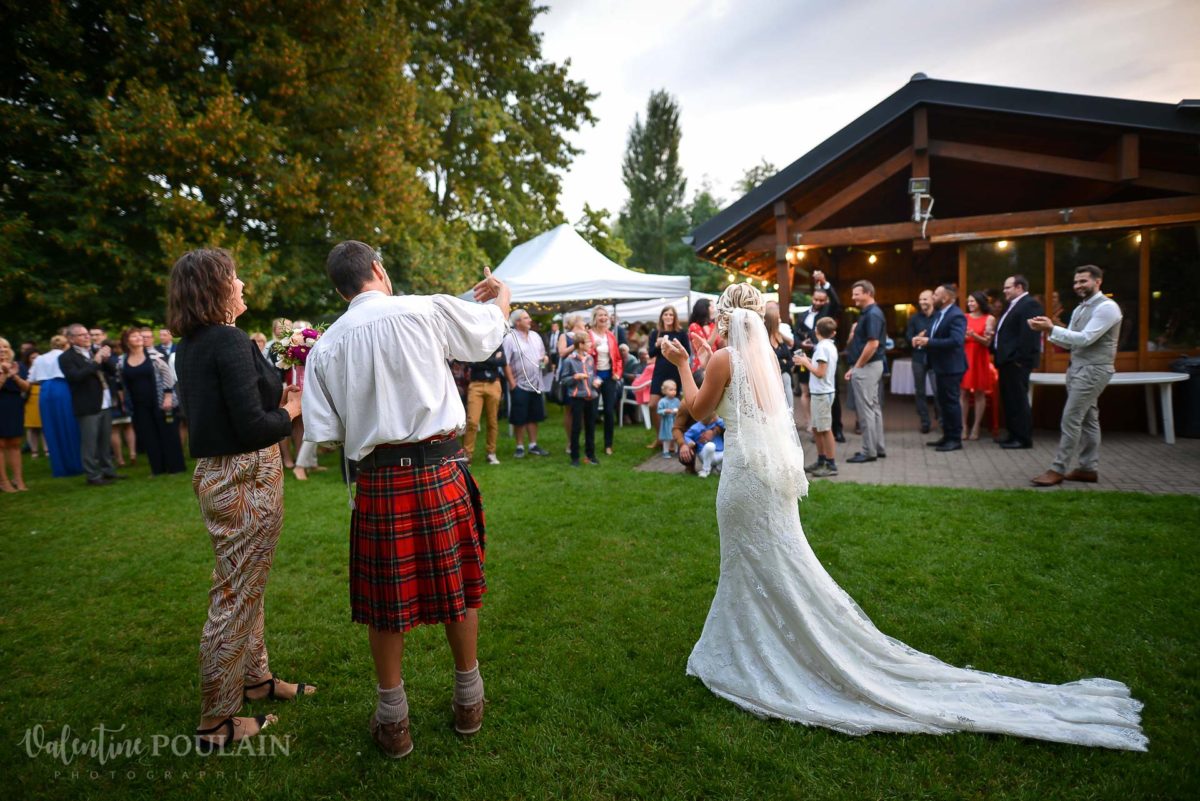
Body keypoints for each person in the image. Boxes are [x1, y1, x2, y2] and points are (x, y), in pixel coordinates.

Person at [659, 282, 1146, 752]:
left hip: (745, 480)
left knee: (751, 563)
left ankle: (757, 650)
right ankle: (764, 639)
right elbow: (743, 407)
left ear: (726, 317)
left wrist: (683, 364)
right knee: (777, 564)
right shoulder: (761, 357)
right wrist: (703, 363)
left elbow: (701, 410)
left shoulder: (725, 358)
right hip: (770, 482)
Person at [302, 241, 506, 758]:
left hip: (378, 481)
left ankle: (394, 724)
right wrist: (503, 296)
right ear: (378, 270)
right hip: (441, 469)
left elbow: (325, 433)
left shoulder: (325, 346)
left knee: (385, 606)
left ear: (340, 287)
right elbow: (486, 335)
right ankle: (469, 704)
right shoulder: (424, 308)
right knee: (459, 586)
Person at [170, 248, 312, 753]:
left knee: (246, 584)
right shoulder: (226, 340)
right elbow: (253, 425)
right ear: (217, 287)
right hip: (243, 473)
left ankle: (255, 678)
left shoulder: (193, 344)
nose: (243, 284)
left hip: (221, 473)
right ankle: (216, 722)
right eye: (235, 277)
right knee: (233, 595)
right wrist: (293, 407)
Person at [1028, 265, 1122, 486]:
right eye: (1076, 281)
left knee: (1071, 418)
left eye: (1083, 281)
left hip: (1094, 370)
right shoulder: (1080, 309)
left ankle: (1058, 469)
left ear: (1098, 282)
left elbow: (1086, 338)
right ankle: (1088, 469)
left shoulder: (1108, 308)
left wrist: (1052, 328)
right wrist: (1045, 330)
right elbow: (1070, 341)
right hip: (1077, 368)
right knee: (1089, 419)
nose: (1078, 285)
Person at [60, 324, 122, 486]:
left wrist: (106, 359)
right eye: (82, 335)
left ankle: (108, 471)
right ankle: (92, 475)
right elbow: (76, 377)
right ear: (71, 339)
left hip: (105, 400)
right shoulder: (66, 357)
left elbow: (112, 370)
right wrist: (95, 361)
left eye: (87, 334)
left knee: (104, 440)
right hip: (87, 404)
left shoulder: (94, 351)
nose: (87, 337)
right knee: (90, 442)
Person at [119, 328, 186, 475]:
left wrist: (168, 396)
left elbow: (167, 374)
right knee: (149, 436)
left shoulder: (154, 356)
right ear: (126, 341)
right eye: (134, 336)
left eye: (139, 336)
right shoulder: (123, 360)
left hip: (160, 401)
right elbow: (122, 383)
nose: (138, 338)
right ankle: (157, 469)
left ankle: (176, 467)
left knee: (168, 433)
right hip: (139, 405)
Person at [912, 284, 968, 452]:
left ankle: (955, 439)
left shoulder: (956, 315)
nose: (933, 297)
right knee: (943, 403)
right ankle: (947, 436)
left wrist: (929, 342)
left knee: (951, 402)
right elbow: (933, 332)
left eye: (935, 295)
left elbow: (956, 341)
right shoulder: (939, 314)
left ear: (945, 298)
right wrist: (923, 337)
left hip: (951, 366)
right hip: (940, 365)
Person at [992, 275, 1044, 450]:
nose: (1004, 291)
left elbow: (1029, 335)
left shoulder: (1029, 304)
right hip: (1006, 362)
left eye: (1008, 287)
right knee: (1010, 400)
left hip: (1016, 363)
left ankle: (1023, 438)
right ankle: (1013, 434)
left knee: (1018, 400)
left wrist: (1019, 359)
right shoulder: (1013, 305)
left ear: (1019, 287)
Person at [844, 280, 887, 463]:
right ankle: (878, 447)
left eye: (856, 294)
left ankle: (869, 451)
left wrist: (857, 366)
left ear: (868, 293)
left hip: (867, 367)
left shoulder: (873, 314)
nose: (853, 297)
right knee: (873, 408)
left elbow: (873, 344)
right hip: (871, 366)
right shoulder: (869, 313)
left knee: (866, 410)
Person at [28, 334, 82, 477]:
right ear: (66, 345)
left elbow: (31, 379)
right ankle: (75, 463)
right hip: (63, 389)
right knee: (69, 425)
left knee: (51, 428)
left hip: (45, 392)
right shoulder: (66, 357)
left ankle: (59, 467)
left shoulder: (40, 358)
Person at [503, 308, 550, 458]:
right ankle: (519, 446)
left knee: (534, 416)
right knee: (519, 417)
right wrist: (512, 384)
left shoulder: (536, 336)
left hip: (536, 384)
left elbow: (542, 357)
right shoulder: (510, 338)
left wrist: (544, 362)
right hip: (519, 384)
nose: (530, 320)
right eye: (526, 318)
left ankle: (533, 445)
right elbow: (506, 362)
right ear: (517, 322)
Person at [796, 317, 838, 477]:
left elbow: (820, 373)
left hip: (822, 393)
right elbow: (820, 366)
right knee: (817, 428)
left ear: (816, 331)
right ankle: (821, 460)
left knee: (825, 429)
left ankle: (831, 464)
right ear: (833, 333)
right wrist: (806, 360)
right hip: (822, 392)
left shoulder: (821, 348)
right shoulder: (829, 346)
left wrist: (805, 364)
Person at [647, 306, 690, 450]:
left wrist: (672, 346)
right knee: (653, 405)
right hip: (659, 371)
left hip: (674, 371)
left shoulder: (681, 333)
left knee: (674, 407)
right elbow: (651, 354)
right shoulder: (656, 333)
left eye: (671, 314)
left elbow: (687, 353)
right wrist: (657, 344)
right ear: (662, 317)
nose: (668, 317)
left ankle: (673, 440)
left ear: (675, 317)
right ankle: (660, 437)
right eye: (666, 314)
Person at [961, 291, 997, 441]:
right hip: (965, 356)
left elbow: (988, 342)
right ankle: (963, 426)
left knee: (979, 393)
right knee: (962, 393)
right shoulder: (964, 317)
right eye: (968, 301)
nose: (970, 304)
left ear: (980, 303)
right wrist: (963, 336)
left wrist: (974, 336)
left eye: (973, 301)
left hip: (980, 358)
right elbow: (959, 337)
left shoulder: (989, 319)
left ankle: (976, 426)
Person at [463, 343, 506, 466]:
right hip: (476, 384)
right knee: (472, 421)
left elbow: (502, 361)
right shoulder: (474, 341)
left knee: (492, 421)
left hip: (494, 384)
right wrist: (492, 360)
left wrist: (481, 359)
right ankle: (467, 455)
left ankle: (491, 453)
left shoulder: (496, 342)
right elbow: (470, 362)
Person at [562, 333, 600, 466]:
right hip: (577, 397)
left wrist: (596, 381)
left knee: (590, 426)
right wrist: (575, 377)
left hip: (591, 396)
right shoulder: (569, 360)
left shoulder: (589, 358)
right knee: (576, 427)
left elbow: (593, 374)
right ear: (580, 344)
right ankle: (575, 457)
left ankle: (591, 455)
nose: (590, 344)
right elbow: (564, 380)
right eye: (588, 342)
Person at [589, 306, 622, 455]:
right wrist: (592, 348)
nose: (603, 318)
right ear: (594, 318)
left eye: (605, 315)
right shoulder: (588, 335)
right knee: (592, 411)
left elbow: (618, 358)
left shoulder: (611, 336)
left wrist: (617, 373)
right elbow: (583, 354)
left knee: (609, 411)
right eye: (600, 315)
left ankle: (608, 445)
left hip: (609, 376)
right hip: (593, 376)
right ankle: (590, 445)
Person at [556, 314, 590, 453]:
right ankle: (570, 441)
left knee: (582, 410)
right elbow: (561, 353)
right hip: (570, 376)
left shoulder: (587, 336)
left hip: (584, 376)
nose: (584, 324)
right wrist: (576, 344)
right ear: (576, 323)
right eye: (582, 321)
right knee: (569, 410)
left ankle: (578, 439)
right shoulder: (565, 336)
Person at [0, 338, 31, 491]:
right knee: (1, 444)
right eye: (0, 347)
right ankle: (3, 481)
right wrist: (4, 375)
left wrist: (14, 375)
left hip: (14, 406)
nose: (3, 349)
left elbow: (26, 388)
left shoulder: (17, 365)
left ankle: (18, 479)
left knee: (15, 443)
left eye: (5, 346)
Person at [905, 289, 937, 434]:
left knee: (938, 390)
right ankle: (925, 422)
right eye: (920, 299)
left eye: (925, 299)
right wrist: (916, 337)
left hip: (935, 358)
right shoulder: (914, 318)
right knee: (920, 391)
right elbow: (908, 337)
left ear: (933, 300)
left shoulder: (938, 316)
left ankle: (941, 419)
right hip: (918, 358)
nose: (922, 302)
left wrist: (927, 339)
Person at [765, 305, 794, 411]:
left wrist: (783, 362)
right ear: (771, 320)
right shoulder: (763, 340)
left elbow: (790, 360)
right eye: (778, 317)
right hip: (772, 384)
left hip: (785, 382)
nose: (780, 320)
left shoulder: (779, 336)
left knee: (789, 411)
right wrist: (783, 362)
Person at [22, 349, 48, 460]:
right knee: (32, 427)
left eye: (38, 357)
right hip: (30, 398)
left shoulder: (45, 368)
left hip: (43, 395)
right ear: (28, 359)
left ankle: (47, 450)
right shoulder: (24, 369)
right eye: (33, 357)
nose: (36, 360)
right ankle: (34, 451)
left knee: (44, 425)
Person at [685, 414, 725, 478]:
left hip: (720, 453)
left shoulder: (717, 424)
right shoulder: (696, 427)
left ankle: (718, 469)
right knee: (710, 446)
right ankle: (705, 470)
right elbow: (686, 435)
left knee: (731, 452)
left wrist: (717, 419)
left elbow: (726, 425)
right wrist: (690, 442)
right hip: (704, 453)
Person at [688, 298, 720, 373]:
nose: (714, 310)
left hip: (715, 363)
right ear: (704, 309)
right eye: (712, 307)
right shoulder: (694, 326)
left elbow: (720, 345)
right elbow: (706, 347)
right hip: (701, 366)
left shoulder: (712, 325)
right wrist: (717, 327)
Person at [656, 379, 680, 458]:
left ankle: (677, 451)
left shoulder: (677, 400)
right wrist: (665, 411)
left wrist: (678, 411)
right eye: (671, 390)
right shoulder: (662, 401)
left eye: (675, 390)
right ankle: (665, 451)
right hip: (667, 422)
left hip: (675, 421)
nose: (673, 391)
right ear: (665, 391)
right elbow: (659, 410)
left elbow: (680, 409)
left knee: (676, 436)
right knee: (666, 437)